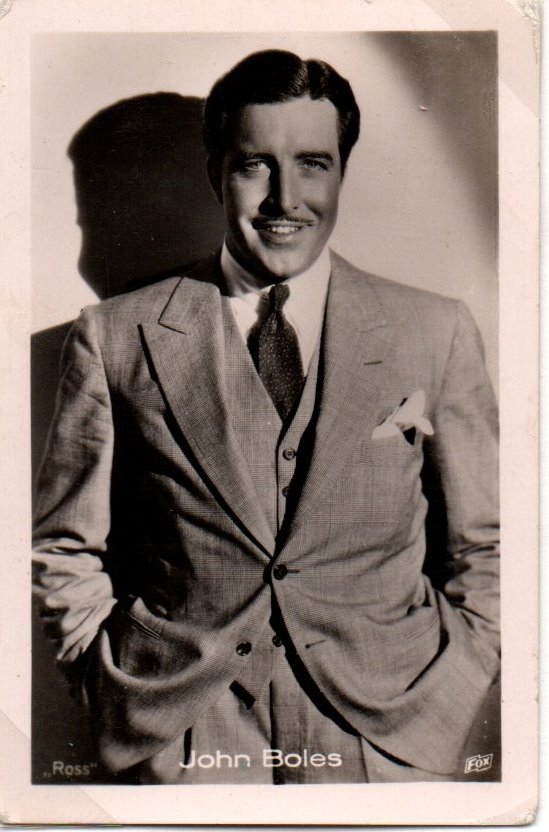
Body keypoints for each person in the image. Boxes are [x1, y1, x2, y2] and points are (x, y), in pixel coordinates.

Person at [32, 49, 500, 785]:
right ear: (216, 172)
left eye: (312, 164)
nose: (285, 199)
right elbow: (64, 545)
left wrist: (462, 677)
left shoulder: (434, 332)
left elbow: (488, 542)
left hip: (390, 739)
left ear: (341, 171)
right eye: (255, 165)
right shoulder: (114, 336)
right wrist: (106, 679)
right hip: (186, 744)